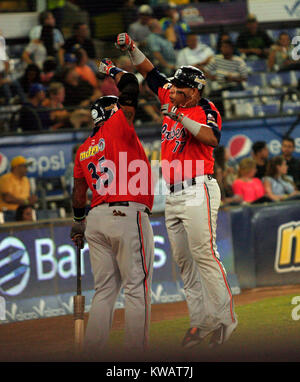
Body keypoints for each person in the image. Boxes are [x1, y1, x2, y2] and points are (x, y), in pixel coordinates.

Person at [114, 32, 238, 348]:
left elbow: (212, 139)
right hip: (172, 193)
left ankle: (225, 321)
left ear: (194, 92)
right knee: (184, 262)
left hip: (199, 188)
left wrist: (180, 116)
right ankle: (200, 323)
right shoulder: (172, 96)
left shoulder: (205, 108)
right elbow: (150, 73)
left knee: (205, 255)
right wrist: (131, 48)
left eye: (180, 90)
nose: (173, 93)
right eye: (174, 88)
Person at [70, 63, 154, 358]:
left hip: (95, 220)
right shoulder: (118, 124)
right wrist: (113, 70)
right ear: (111, 113)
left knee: (105, 290)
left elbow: (79, 193)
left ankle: (93, 352)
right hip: (127, 213)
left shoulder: (83, 148)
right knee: (136, 287)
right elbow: (132, 86)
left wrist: (78, 223)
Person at [204, 39, 248, 116]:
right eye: (222, 47)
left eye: (226, 47)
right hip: (222, 86)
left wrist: (233, 79)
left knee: (234, 90)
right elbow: (206, 71)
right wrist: (212, 77)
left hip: (235, 85)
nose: (223, 49)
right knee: (212, 95)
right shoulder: (217, 59)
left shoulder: (239, 61)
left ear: (231, 49)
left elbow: (244, 78)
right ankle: (221, 116)